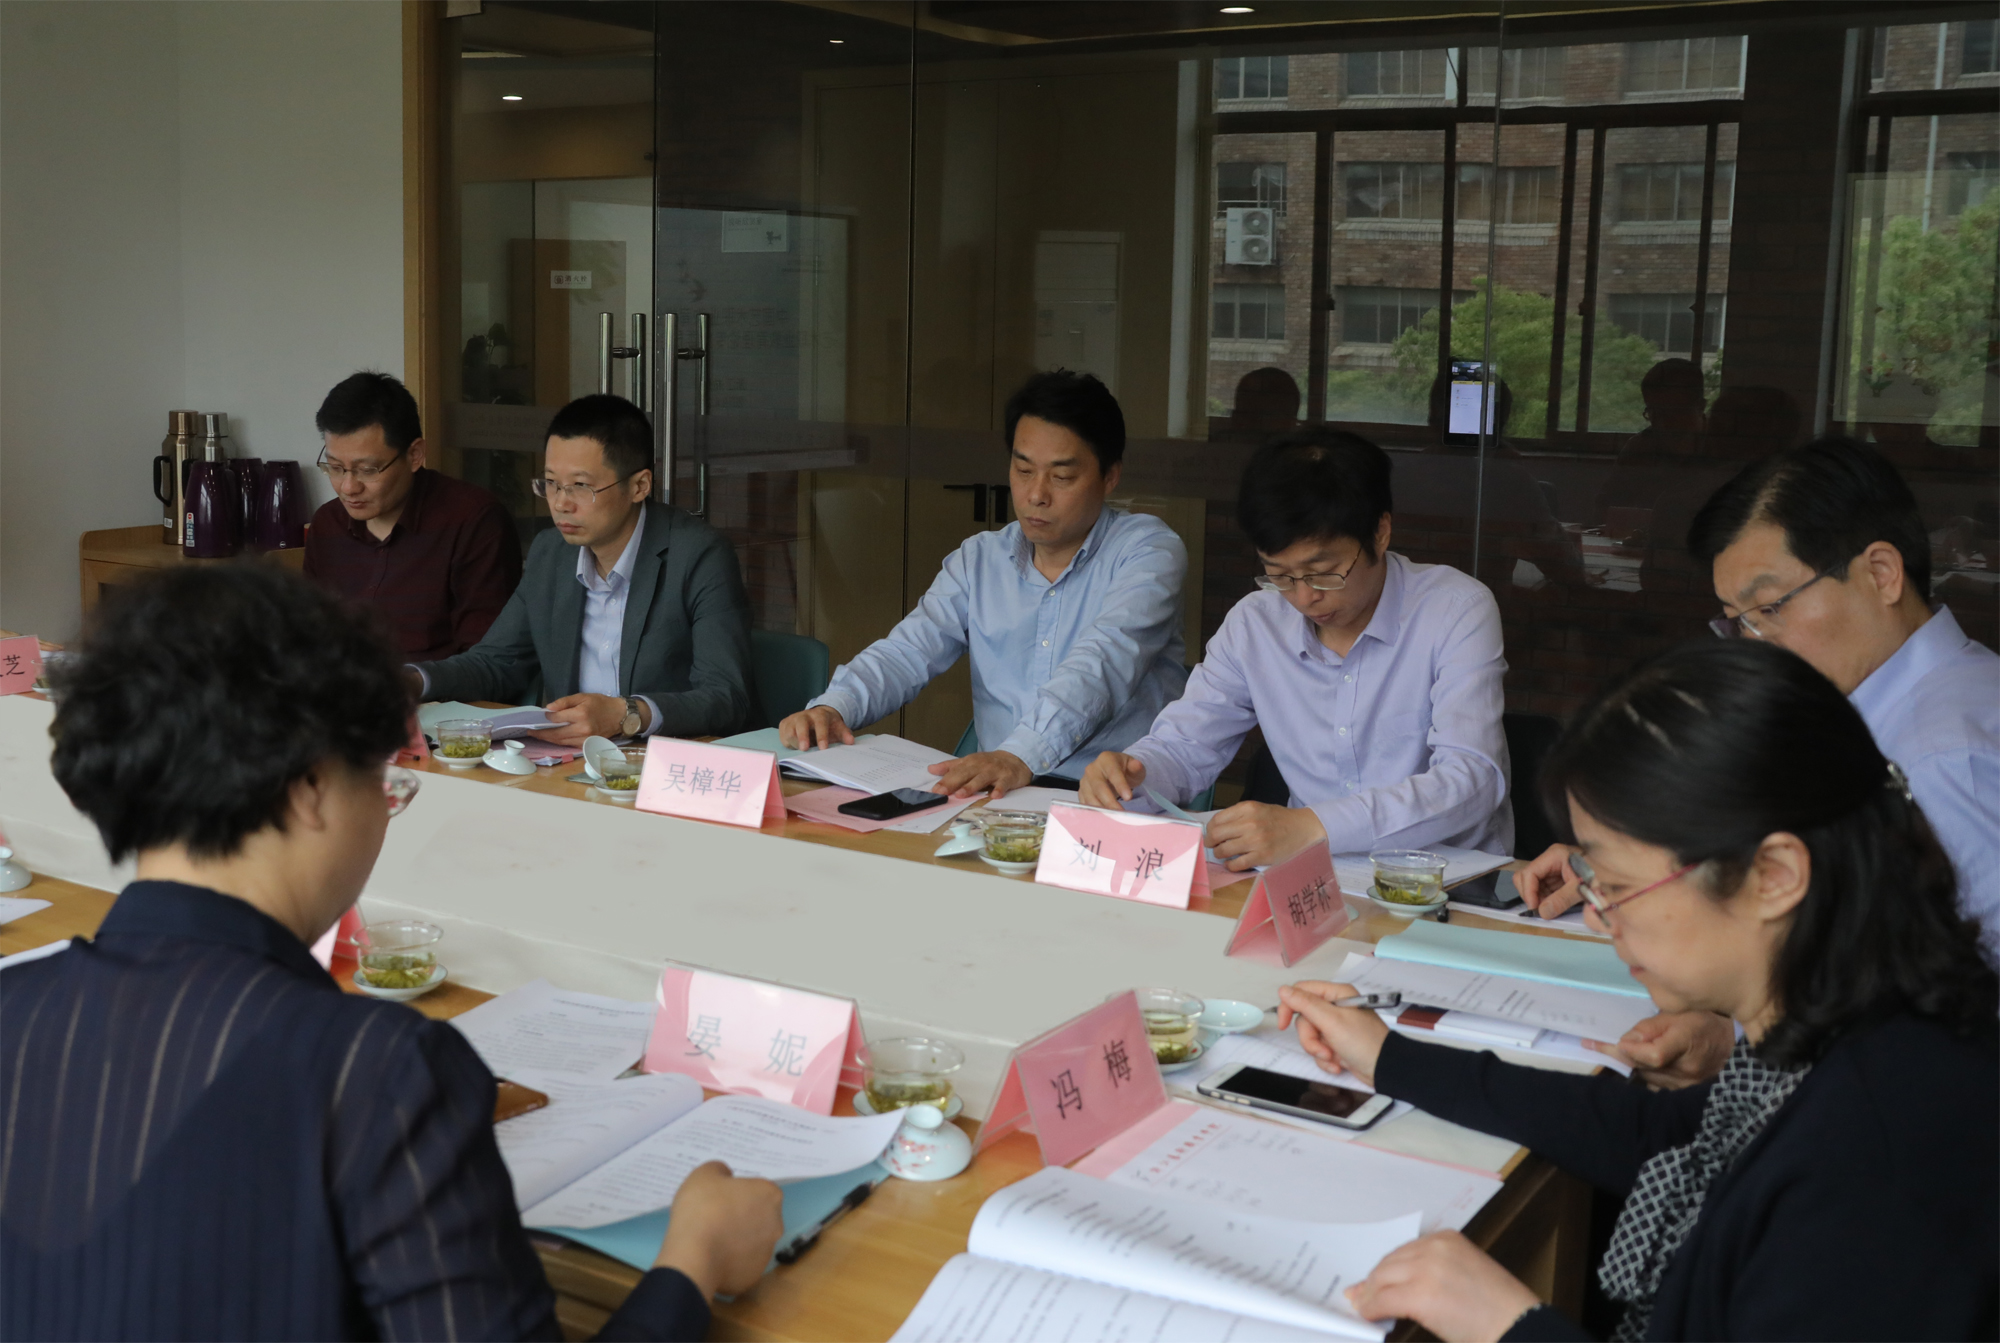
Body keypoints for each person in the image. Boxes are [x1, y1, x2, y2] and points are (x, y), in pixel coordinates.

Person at [2, 565, 783, 1340]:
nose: (384, 810)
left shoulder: (15, 1008)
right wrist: (694, 1258)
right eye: (379, 778)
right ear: (310, 787)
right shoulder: (377, 1073)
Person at [1278, 640, 1997, 1342]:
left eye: (1617, 886)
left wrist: (1506, 1322)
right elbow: (1660, 1132)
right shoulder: (1842, 1020)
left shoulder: (1876, 1157)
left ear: (1775, 875)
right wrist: (1391, 1058)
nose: (1598, 916)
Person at [1521, 438, 2000, 1086]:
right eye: (1737, 622)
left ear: (1882, 573)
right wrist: (1623, 864)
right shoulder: (1891, 704)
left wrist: (1737, 1042)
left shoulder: (1943, 758)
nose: (1756, 644)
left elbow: (1958, 1021)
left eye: (1771, 607)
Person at [1079, 428, 1511, 870]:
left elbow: (1472, 779)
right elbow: (1187, 745)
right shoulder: (1256, 624)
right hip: (1311, 876)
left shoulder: (1454, 610)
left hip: (1448, 880)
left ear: (1380, 532)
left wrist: (1314, 826)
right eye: (1280, 575)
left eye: (1323, 573)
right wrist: (1135, 774)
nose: (1304, 598)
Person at [780, 371, 1189, 796]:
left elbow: (1102, 665)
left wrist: (1019, 756)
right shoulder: (980, 559)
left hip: (1116, 801)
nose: (1036, 494)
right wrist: (836, 706)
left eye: (1061, 477)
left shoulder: (1148, 552)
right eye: (1023, 470)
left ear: (1110, 476)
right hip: (1000, 797)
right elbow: (908, 650)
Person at [411, 394, 754, 746]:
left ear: (639, 486)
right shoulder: (551, 553)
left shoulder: (698, 555)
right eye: (551, 483)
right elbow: (496, 662)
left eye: (581, 486)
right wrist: (412, 681)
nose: (561, 503)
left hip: (663, 759)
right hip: (568, 758)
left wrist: (626, 714)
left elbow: (727, 696)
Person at [303, 371, 524, 660]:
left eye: (367, 470)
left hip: (434, 688)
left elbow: (488, 661)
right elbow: (309, 637)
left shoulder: (474, 522)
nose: (348, 487)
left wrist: (412, 681)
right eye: (335, 467)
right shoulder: (327, 524)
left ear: (415, 455)